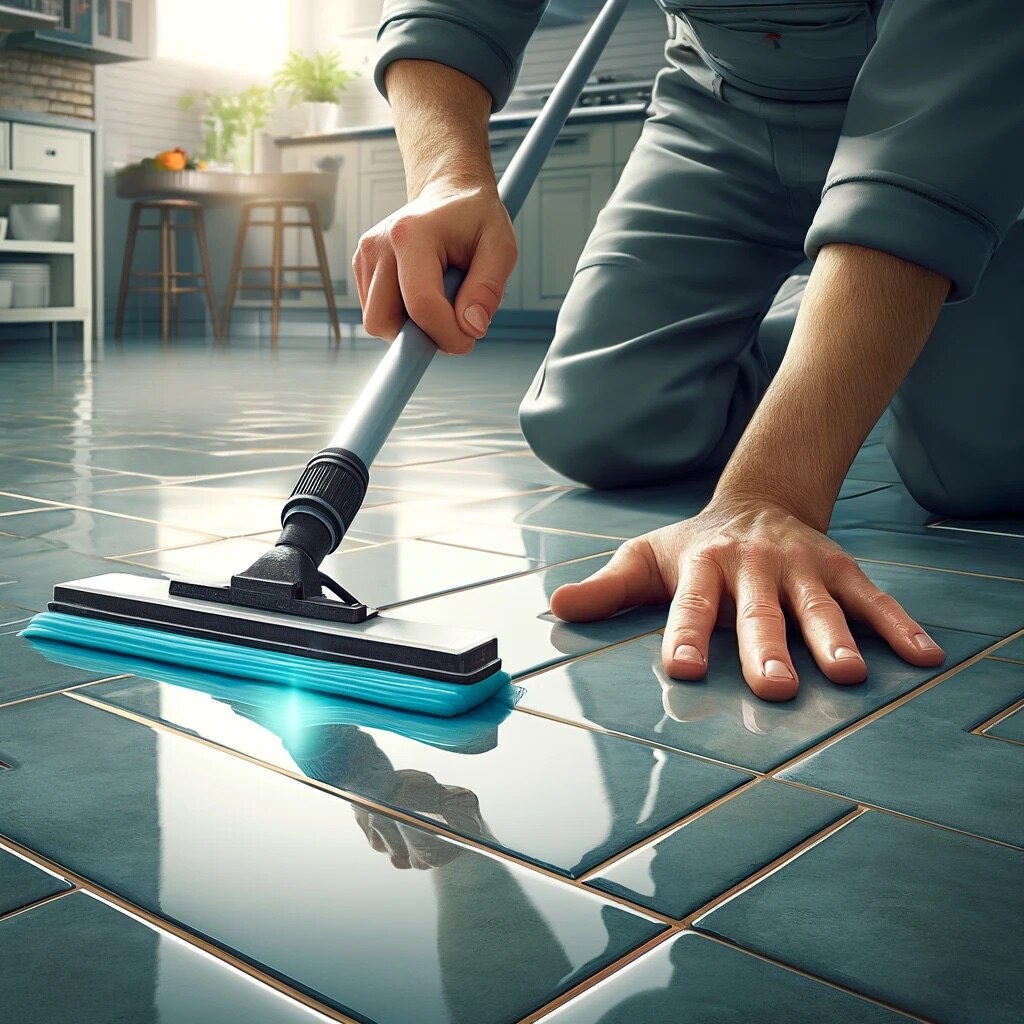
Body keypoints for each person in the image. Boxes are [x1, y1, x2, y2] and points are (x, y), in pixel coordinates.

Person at [352, 0, 1024, 701]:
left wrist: (770, 494)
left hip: (951, 119)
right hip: (722, 110)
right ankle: (831, 318)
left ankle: (900, 302)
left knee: (979, 471)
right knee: (597, 425)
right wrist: (446, 176)